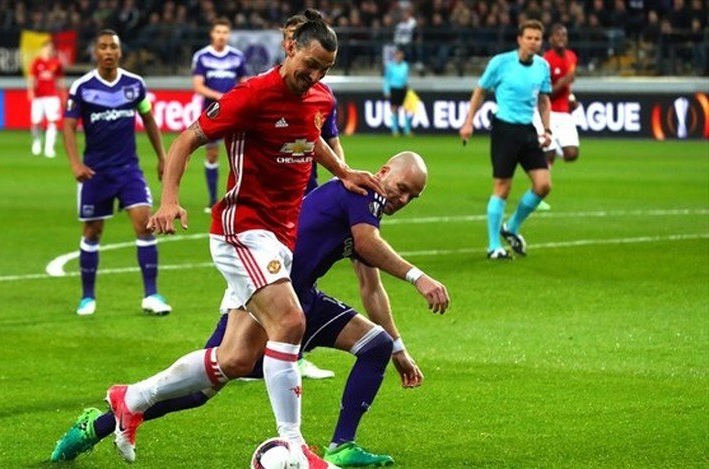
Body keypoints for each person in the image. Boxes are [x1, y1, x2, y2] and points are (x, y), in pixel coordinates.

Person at [102, 10, 383, 467]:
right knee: (290, 322)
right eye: (310, 64)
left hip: (280, 237)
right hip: (242, 229)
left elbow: (310, 136)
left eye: (325, 69)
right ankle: (294, 446)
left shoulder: (319, 97)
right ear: (290, 48)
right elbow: (185, 140)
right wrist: (169, 200)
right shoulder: (251, 95)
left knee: (235, 359)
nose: (315, 76)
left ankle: (131, 398)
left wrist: (344, 171)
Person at [50, 152, 450, 468]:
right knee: (206, 385)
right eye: (402, 188)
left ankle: (341, 446)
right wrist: (419, 278)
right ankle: (98, 423)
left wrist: (399, 350)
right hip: (263, 292)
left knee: (376, 345)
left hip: (300, 298)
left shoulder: (367, 211)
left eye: (412, 197)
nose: (402, 199)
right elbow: (366, 245)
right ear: (384, 172)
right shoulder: (360, 193)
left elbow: (371, 287)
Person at [62, 30, 171, 316]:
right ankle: (87, 297)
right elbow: (69, 127)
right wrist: (75, 164)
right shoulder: (82, 87)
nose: (108, 51)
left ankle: (151, 295)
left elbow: (149, 120)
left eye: (113, 47)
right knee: (92, 232)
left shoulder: (134, 84)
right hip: (95, 173)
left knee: (145, 225)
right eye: (103, 47)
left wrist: (163, 157)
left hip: (128, 170)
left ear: (120, 52)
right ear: (95, 52)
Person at [459, 19, 552, 260]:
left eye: (537, 38)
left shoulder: (542, 66)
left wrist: (547, 129)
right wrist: (469, 122)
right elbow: (480, 90)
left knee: (543, 185)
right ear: (520, 39)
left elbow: (544, 100)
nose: (533, 42)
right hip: (505, 130)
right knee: (502, 187)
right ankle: (493, 246)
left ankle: (511, 227)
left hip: (528, 130)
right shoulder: (501, 63)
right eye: (529, 37)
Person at [283, 12, 343, 380]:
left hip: (306, 193)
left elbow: (326, 139)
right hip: (267, 203)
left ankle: (295, 353)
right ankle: (233, 351)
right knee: (263, 281)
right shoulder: (263, 91)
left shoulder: (322, 96)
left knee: (303, 272)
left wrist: (343, 176)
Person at [191, 18, 248, 213]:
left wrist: (236, 98)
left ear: (229, 35)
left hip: (235, 112)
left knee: (239, 155)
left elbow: (244, 82)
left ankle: (239, 197)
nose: (221, 36)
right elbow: (198, 86)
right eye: (218, 32)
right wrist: (219, 96)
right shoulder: (202, 56)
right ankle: (213, 199)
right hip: (212, 112)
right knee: (212, 154)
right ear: (212, 34)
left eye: (224, 32)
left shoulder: (237, 56)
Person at [535, 23, 580, 212]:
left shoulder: (572, 56)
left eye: (564, 35)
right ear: (551, 39)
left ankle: (539, 152)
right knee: (550, 153)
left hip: (565, 113)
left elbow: (568, 87)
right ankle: (538, 196)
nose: (561, 38)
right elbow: (544, 94)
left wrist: (571, 99)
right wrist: (564, 82)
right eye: (557, 35)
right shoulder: (546, 61)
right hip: (549, 112)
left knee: (571, 154)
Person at [28, 40, 64, 158]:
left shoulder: (56, 63)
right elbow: (32, 78)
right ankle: (37, 143)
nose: (49, 50)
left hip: (52, 97)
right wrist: (30, 91)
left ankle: (49, 148)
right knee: (36, 122)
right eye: (47, 48)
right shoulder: (37, 62)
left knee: (52, 122)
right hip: (38, 96)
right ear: (43, 49)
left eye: (51, 48)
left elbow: (60, 80)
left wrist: (62, 94)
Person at [383, 49, 412, 137]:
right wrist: (386, 90)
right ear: (395, 56)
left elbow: (406, 78)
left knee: (407, 109)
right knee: (394, 108)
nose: (399, 57)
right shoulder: (390, 66)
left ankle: (407, 129)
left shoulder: (405, 66)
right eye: (397, 55)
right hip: (394, 88)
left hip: (403, 88)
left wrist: (408, 88)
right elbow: (387, 79)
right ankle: (395, 129)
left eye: (400, 55)